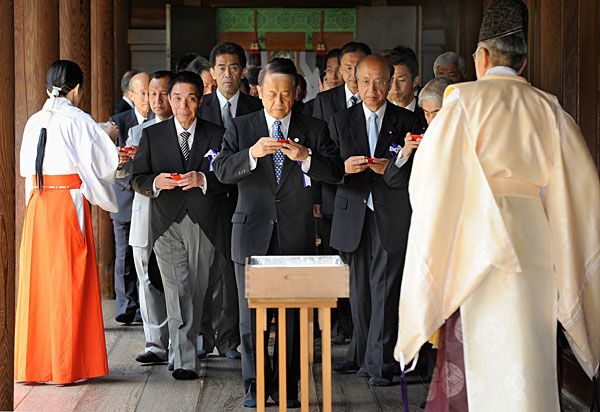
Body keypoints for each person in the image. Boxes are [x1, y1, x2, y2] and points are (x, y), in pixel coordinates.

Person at [393, 0, 600, 410]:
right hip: (535, 246)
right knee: (529, 352)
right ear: (522, 64)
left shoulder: (461, 102)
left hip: (476, 247)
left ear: (483, 57)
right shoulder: (550, 109)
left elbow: (430, 184)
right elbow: (582, 196)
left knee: (473, 359)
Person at [213, 58, 344, 408]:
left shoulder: (314, 128)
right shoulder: (242, 128)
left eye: (286, 95)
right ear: (257, 90)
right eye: (271, 93)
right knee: (250, 321)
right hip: (251, 236)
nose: (278, 102)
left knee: (292, 321)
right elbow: (222, 170)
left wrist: (307, 157)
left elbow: (335, 172)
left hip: (295, 236)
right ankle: (255, 389)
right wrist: (252, 154)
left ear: (297, 93)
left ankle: (286, 389)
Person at [15, 60, 119, 384]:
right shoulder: (78, 118)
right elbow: (102, 163)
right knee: (69, 282)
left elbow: (26, 170)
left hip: (38, 203)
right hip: (66, 203)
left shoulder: (35, 120)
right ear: (77, 88)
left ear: (48, 87)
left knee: (38, 283)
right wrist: (111, 135)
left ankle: (34, 365)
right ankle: (66, 366)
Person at [328, 55, 422, 387]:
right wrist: (344, 169)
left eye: (380, 82)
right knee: (359, 290)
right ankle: (361, 354)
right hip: (352, 212)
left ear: (391, 81)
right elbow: (328, 168)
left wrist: (391, 168)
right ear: (354, 80)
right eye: (365, 81)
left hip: (390, 212)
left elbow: (416, 171)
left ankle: (380, 363)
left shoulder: (409, 121)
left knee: (384, 288)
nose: (373, 89)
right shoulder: (341, 119)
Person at [131, 71, 230, 380]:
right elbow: (136, 177)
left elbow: (228, 176)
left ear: (200, 101)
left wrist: (203, 179)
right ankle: (186, 360)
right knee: (177, 290)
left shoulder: (217, 133)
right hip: (166, 222)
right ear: (167, 100)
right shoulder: (153, 135)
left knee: (198, 290)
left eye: (190, 99)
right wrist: (155, 183)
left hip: (204, 221)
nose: (182, 105)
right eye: (176, 98)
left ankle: (179, 349)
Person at [198, 42, 263, 361]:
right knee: (204, 267)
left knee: (233, 270)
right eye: (220, 68)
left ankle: (230, 338)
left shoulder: (256, 108)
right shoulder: (199, 105)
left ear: (244, 72)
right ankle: (202, 334)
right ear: (211, 73)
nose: (227, 74)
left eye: (234, 67)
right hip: (207, 196)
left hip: (247, 198)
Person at [312, 42, 372, 348]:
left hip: (368, 195)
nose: (350, 73)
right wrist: (317, 199)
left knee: (362, 267)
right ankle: (337, 325)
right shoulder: (324, 102)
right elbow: (316, 155)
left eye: (356, 67)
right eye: (345, 67)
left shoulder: (376, 97)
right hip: (332, 196)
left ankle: (358, 330)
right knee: (335, 262)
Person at [117, 70, 174, 365]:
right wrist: (125, 161)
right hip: (145, 208)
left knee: (178, 277)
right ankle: (155, 344)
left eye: (164, 93)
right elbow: (125, 177)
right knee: (145, 276)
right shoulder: (138, 132)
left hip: (176, 211)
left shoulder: (184, 128)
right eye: (152, 94)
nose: (158, 99)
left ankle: (182, 343)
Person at [109, 72, 151, 324]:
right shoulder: (118, 122)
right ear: (131, 96)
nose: (148, 98)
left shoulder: (160, 121)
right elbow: (108, 160)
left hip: (150, 196)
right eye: (143, 93)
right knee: (124, 254)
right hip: (125, 195)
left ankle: (147, 308)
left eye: (151, 92)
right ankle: (126, 307)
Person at [386, 47, 427, 127]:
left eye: (401, 80)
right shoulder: (382, 113)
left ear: (415, 81)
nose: (395, 86)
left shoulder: (426, 113)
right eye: (391, 80)